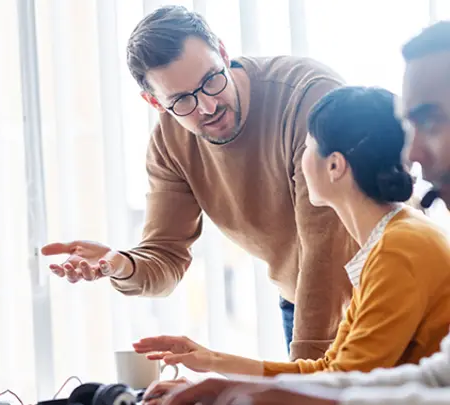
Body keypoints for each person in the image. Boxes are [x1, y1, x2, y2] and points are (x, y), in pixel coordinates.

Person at [41, 5, 357, 361]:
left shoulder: (308, 97)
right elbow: (164, 258)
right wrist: (121, 264)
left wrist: (301, 371)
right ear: (154, 102)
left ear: (223, 52)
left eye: (211, 80)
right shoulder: (169, 145)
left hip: (380, 294)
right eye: (181, 101)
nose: (207, 106)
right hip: (301, 301)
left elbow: (325, 244)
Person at [158, 20, 450, 405]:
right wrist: (214, 366)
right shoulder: (385, 243)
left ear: (335, 166)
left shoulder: (400, 246)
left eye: (308, 145)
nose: (298, 159)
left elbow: (347, 377)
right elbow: (330, 368)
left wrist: (248, 393)